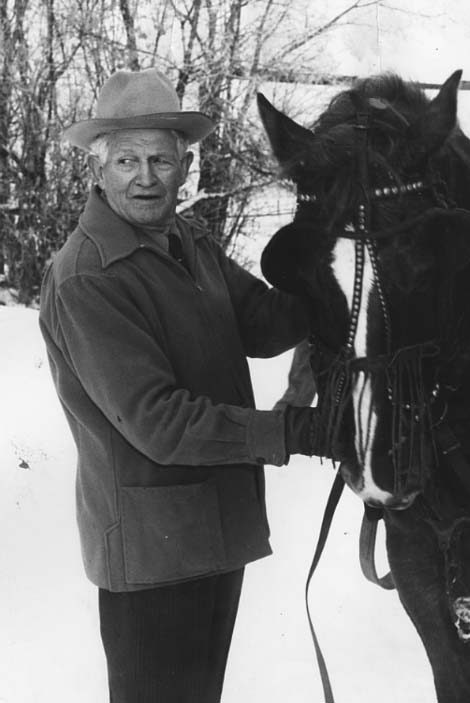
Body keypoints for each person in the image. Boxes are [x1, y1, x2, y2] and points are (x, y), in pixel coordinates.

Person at [39, 68, 333, 703]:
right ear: (99, 167)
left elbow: (264, 323)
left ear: (183, 166)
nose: (145, 177)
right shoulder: (87, 276)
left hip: (210, 534)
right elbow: (159, 421)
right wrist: (295, 430)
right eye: (127, 160)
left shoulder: (187, 241)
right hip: (150, 556)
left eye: (160, 160)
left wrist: (329, 262)